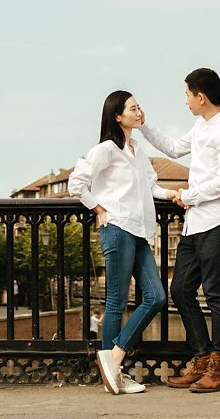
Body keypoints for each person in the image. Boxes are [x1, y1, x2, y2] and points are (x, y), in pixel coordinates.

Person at [139, 68, 220, 394]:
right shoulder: (201, 126)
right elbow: (172, 148)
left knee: (215, 292)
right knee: (181, 290)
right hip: (195, 222)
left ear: (201, 96)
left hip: (217, 220)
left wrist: (189, 195)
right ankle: (201, 359)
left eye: (187, 94)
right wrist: (142, 125)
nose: (185, 100)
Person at [68, 90, 178, 396]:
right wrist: (99, 208)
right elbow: (76, 183)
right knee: (116, 302)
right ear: (118, 115)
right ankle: (113, 375)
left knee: (156, 296)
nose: (139, 111)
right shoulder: (106, 149)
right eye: (133, 107)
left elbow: (151, 186)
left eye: (140, 106)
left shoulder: (136, 149)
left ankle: (113, 359)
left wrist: (175, 195)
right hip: (116, 228)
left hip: (140, 231)